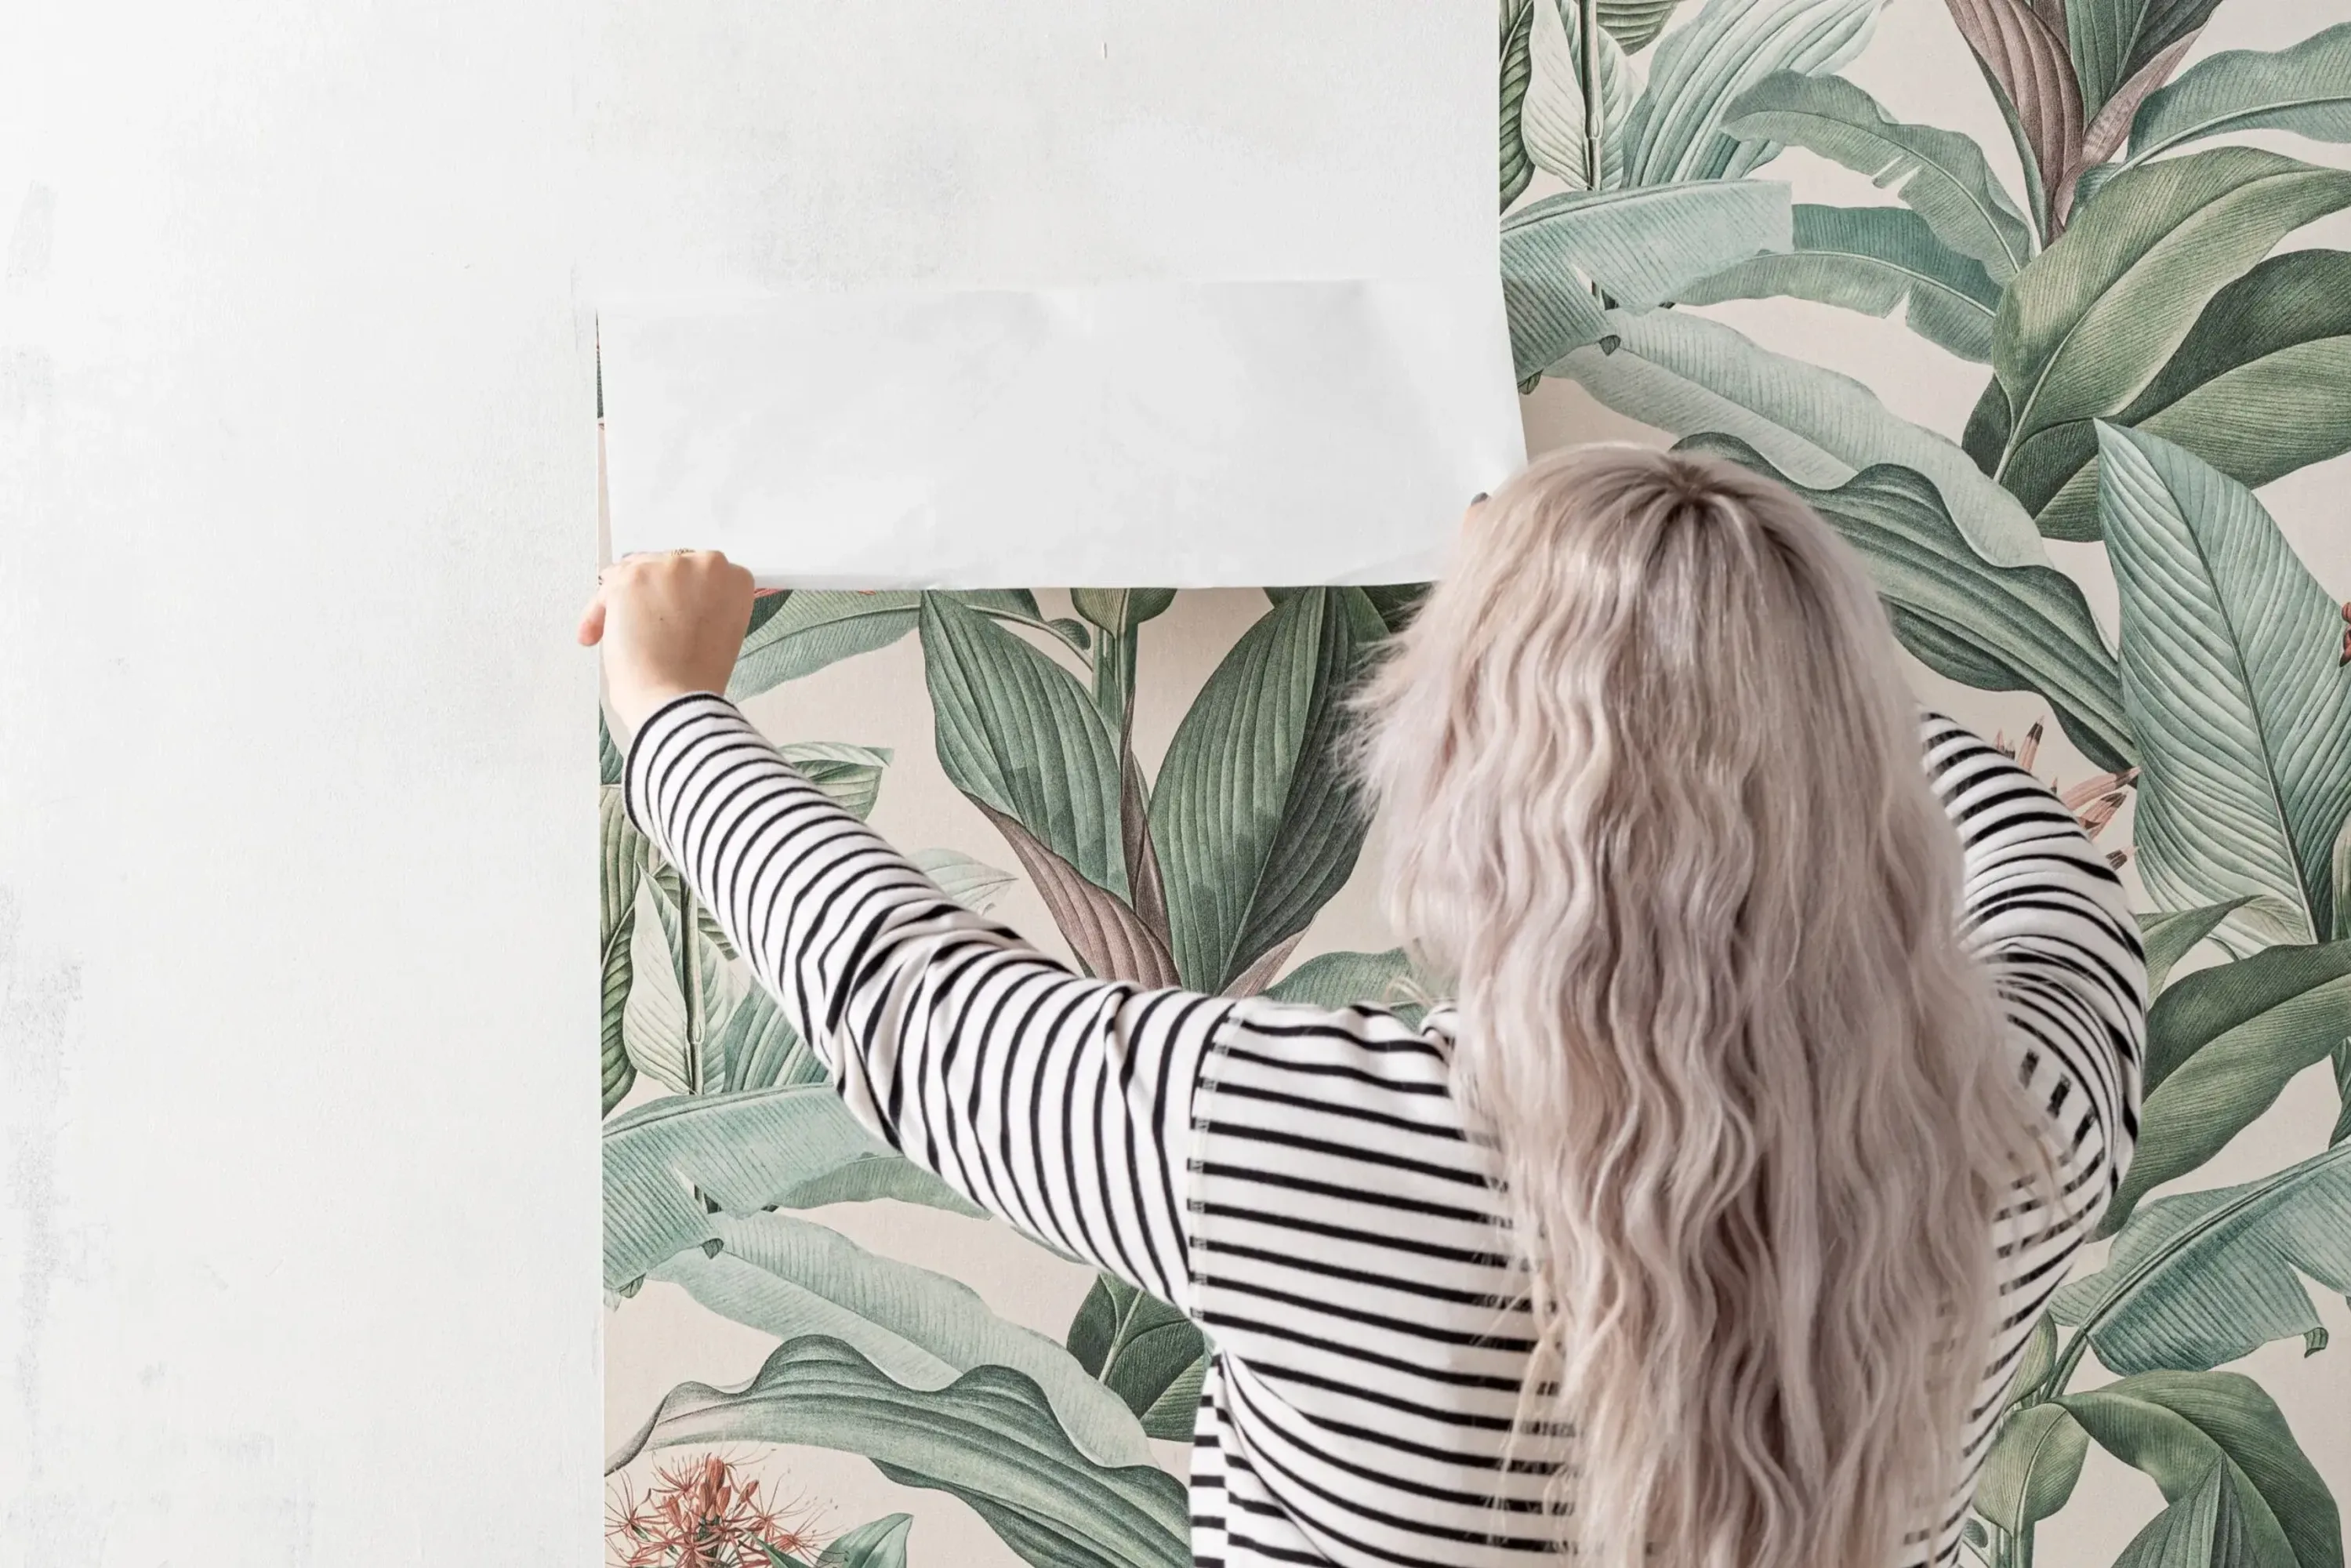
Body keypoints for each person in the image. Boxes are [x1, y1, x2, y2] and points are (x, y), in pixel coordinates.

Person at [579, 445, 2144, 1568]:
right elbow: (2035, 867)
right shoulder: (2027, 1117)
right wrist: (1739, 650)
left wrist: (668, 704)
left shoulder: (1314, 1148)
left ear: (1465, 799)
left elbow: (912, 1007)